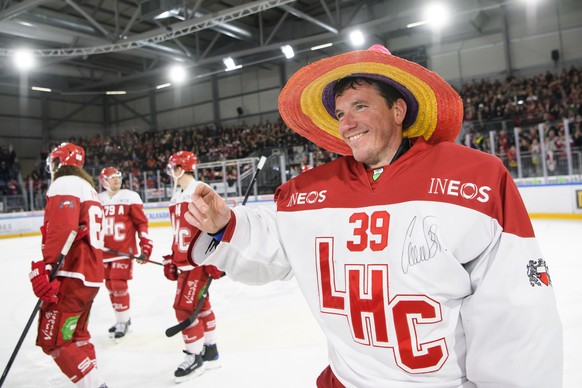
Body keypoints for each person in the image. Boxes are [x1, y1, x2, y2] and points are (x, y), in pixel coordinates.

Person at [184, 45, 563, 387]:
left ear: (398, 110)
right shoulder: (307, 190)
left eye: (361, 105)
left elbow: (517, 316)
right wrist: (224, 224)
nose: (347, 122)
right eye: (340, 113)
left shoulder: (475, 177)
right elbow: (274, 242)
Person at [29, 142, 107, 387]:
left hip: (71, 275)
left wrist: (47, 269)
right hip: (90, 277)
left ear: (58, 162)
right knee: (77, 335)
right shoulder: (89, 188)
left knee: (54, 340)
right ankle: (93, 380)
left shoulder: (64, 183)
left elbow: (63, 229)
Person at [163, 151, 223, 383]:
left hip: (197, 262)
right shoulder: (177, 195)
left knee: (184, 308)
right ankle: (210, 350)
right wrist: (172, 257)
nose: (171, 173)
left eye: (172, 168)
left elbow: (217, 226)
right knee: (202, 305)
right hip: (184, 262)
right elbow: (178, 233)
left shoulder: (200, 190)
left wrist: (216, 257)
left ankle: (194, 355)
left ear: (179, 168)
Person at [98, 167, 153, 340]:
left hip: (123, 250)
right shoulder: (98, 200)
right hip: (104, 251)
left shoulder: (130, 196)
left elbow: (141, 223)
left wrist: (145, 245)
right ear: (104, 180)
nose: (117, 180)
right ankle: (121, 319)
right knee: (110, 286)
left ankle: (123, 322)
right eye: (112, 177)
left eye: (118, 177)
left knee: (118, 283)